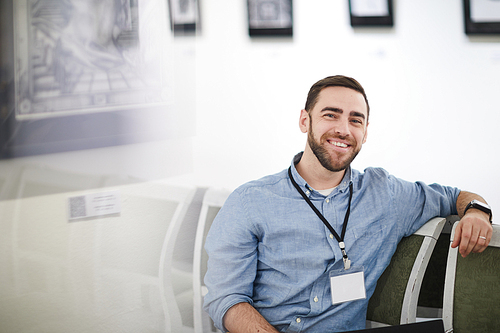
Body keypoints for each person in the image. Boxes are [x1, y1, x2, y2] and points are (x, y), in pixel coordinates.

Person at [203, 75, 493, 333]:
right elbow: (226, 298)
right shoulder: (249, 201)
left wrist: (478, 211)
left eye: (356, 120)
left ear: (365, 132)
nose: (343, 130)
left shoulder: (386, 193)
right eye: (331, 115)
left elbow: (455, 196)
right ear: (305, 120)